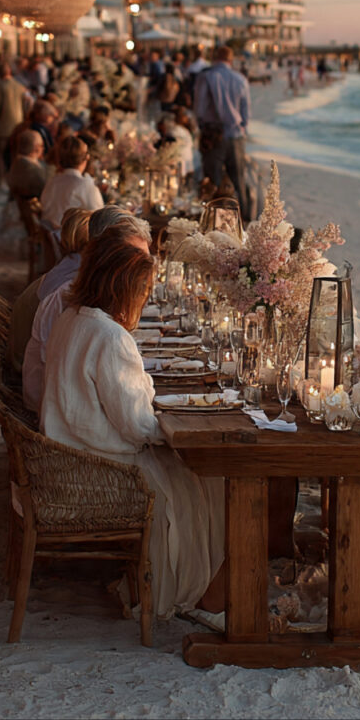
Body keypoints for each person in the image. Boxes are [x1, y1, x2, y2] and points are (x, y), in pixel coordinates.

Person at [39, 240, 225, 618]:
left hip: (65, 455)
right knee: (209, 479)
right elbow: (138, 425)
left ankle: (206, 586)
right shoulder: (110, 338)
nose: (144, 298)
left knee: (195, 473)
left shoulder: (72, 318)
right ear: (122, 288)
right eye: (142, 290)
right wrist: (166, 418)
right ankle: (206, 593)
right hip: (102, 469)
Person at [23, 209, 151, 413]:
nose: (146, 272)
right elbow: (132, 418)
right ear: (109, 256)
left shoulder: (83, 298)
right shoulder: (68, 302)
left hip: (60, 414)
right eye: (136, 262)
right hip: (50, 413)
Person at [193, 45, 251, 213]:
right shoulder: (240, 79)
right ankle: (244, 221)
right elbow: (246, 113)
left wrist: (202, 127)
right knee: (238, 180)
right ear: (230, 60)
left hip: (213, 134)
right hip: (236, 135)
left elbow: (199, 110)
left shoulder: (206, 77)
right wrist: (241, 129)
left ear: (213, 58)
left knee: (213, 182)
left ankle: (215, 221)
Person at [38, 135, 103, 230]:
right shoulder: (85, 185)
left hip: (51, 239)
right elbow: (100, 219)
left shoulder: (52, 181)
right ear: (85, 159)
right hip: (68, 241)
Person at [0, 61, 28, 189]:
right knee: (13, 155)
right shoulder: (19, 86)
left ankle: (2, 181)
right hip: (17, 124)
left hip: (2, 126)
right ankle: (13, 180)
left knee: (0, 155)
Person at [7, 129, 47, 202]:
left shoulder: (17, 163)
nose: (43, 148)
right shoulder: (32, 169)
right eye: (41, 145)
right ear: (36, 148)